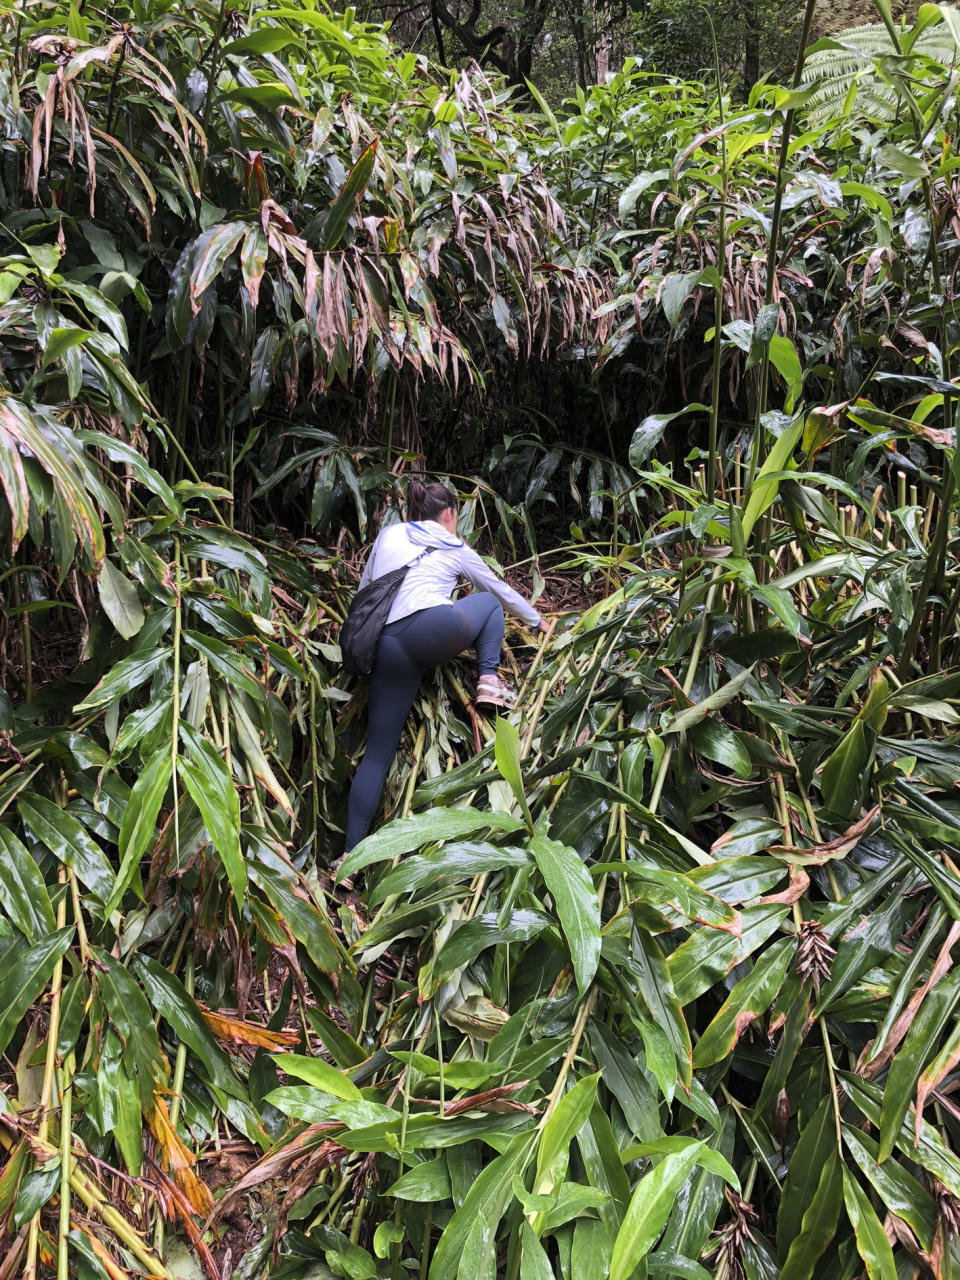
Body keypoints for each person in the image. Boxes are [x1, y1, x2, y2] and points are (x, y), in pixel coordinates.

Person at [343, 477, 549, 853]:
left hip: (387, 644)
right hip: (432, 630)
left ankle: (347, 858)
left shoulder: (389, 535)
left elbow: (365, 591)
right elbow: (498, 591)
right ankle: (488, 678)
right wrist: (538, 621)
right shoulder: (455, 545)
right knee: (486, 603)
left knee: (377, 756)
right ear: (450, 513)